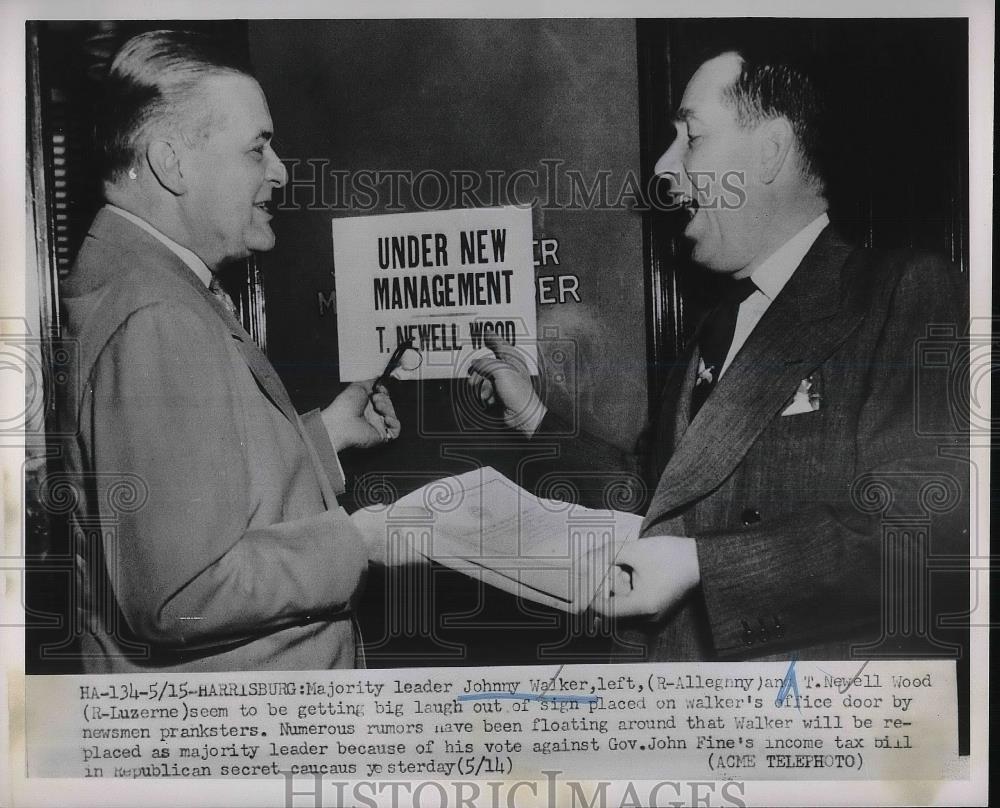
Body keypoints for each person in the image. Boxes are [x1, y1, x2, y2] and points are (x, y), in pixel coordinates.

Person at [471, 47, 967, 660]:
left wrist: (707, 567)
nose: (663, 165)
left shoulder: (904, 292)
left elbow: (929, 537)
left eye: (692, 137)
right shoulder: (716, 323)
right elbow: (657, 496)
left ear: (770, 153)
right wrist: (534, 418)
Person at [57, 30, 403, 672]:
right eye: (257, 148)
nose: (280, 171)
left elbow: (194, 489)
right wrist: (361, 539)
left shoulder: (147, 281)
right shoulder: (156, 314)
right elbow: (182, 593)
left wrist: (322, 436)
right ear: (173, 163)